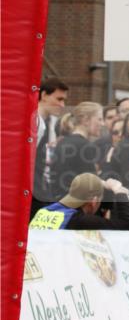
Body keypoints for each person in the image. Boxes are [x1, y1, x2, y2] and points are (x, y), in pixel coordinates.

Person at [29, 173, 129, 230]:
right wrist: (119, 192)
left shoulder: (44, 211)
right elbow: (127, 225)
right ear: (94, 201)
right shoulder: (79, 221)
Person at [31, 77, 69, 218]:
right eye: (59, 99)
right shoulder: (36, 122)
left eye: (64, 100)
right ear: (44, 95)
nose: (62, 105)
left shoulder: (47, 124)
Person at [49, 101, 104, 197]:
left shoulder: (63, 142)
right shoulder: (85, 145)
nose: (102, 124)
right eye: (99, 119)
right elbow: (91, 185)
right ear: (86, 120)